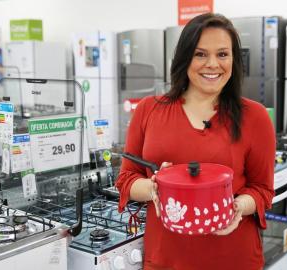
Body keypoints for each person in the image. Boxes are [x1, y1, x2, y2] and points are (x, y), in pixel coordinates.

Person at [116, 13, 275, 270]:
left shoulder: (255, 117)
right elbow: (126, 179)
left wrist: (236, 208)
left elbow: (262, 190)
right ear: (185, 57)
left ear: (234, 59)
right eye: (200, 54)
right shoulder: (148, 110)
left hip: (233, 258)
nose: (212, 64)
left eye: (222, 54)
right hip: (167, 258)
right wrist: (154, 188)